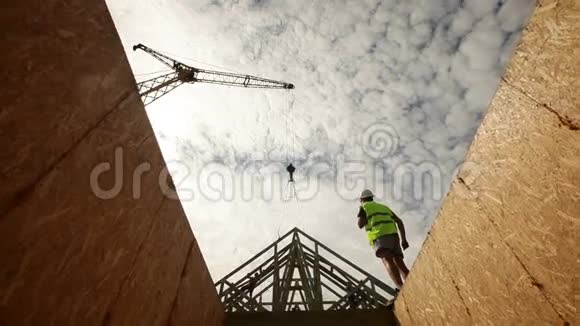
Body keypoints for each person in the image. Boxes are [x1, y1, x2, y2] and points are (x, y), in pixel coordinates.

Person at [357, 189, 410, 290]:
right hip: (394, 236)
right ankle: (411, 284)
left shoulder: (364, 207)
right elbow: (399, 221)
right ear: (372, 197)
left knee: (387, 260)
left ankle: (401, 288)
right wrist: (404, 240)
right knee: (399, 262)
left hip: (380, 235)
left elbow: (360, 224)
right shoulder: (384, 207)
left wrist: (362, 217)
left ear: (362, 199)